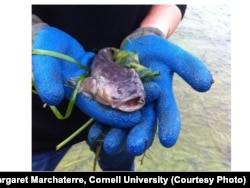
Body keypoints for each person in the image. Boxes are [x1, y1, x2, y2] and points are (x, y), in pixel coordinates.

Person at [32, 5, 212, 171]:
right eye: (121, 92)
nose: (135, 94)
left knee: (121, 160)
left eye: (137, 88)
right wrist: (32, 32)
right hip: (39, 123)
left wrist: (152, 30)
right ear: (93, 85)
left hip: (124, 128)